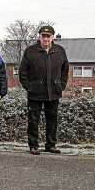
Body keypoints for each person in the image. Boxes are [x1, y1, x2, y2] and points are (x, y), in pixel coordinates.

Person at [19, 26, 69, 155]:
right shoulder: (30, 51)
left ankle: (50, 145)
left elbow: (65, 69)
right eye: (43, 36)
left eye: (48, 36)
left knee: (52, 119)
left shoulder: (60, 51)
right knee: (33, 120)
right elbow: (22, 72)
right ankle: (33, 145)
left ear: (52, 37)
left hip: (54, 91)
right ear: (39, 37)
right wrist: (29, 87)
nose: (46, 39)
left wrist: (61, 85)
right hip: (35, 92)